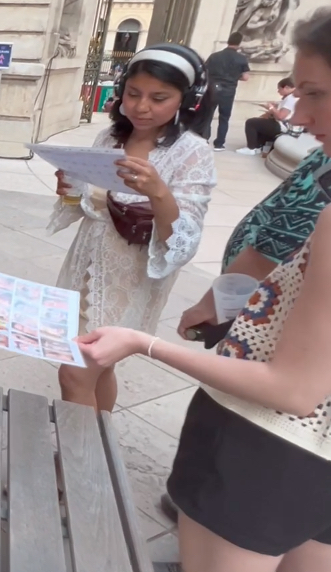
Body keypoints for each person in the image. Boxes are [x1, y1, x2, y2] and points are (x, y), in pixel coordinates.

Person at [79, 0, 331, 572]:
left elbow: (294, 387)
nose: (297, 117)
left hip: (274, 451)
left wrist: (142, 342)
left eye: (315, 94)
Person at [154, 145, 331, 522]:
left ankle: (203, 509)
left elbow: (279, 236)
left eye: (316, 92)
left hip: (271, 321)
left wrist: (213, 301)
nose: (298, 115)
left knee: (236, 420)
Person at [52, 44, 216, 411]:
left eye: (159, 98)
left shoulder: (191, 152)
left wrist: (158, 191)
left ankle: (76, 462)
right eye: (134, 94)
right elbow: (87, 203)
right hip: (87, 263)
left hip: (131, 275)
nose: (142, 107)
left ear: (185, 100)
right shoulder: (110, 139)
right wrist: (69, 189)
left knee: (75, 372)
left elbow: (182, 240)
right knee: (100, 368)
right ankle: (98, 436)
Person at [199, 31, 251, 150]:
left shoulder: (215, 56)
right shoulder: (242, 59)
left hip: (213, 89)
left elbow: (204, 71)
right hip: (229, 91)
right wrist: (233, 77)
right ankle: (219, 144)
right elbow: (245, 77)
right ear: (239, 43)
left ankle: (204, 138)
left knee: (208, 115)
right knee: (224, 117)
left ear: (228, 41)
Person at [237, 77, 297, 155]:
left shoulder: (291, 99)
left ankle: (251, 148)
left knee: (251, 122)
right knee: (262, 120)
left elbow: (280, 116)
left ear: (286, 87)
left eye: (279, 89)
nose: (278, 91)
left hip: (284, 127)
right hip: (286, 125)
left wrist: (271, 108)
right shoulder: (292, 97)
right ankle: (258, 146)